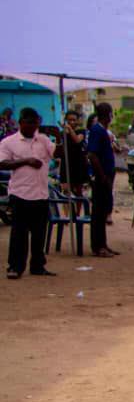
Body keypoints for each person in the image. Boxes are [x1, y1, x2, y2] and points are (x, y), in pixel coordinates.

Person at [1, 107, 55, 278]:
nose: (33, 126)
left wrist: (60, 137)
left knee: (39, 233)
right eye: (29, 123)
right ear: (21, 122)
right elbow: (3, 164)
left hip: (40, 193)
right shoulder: (9, 142)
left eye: (36, 123)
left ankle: (38, 265)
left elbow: (57, 154)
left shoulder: (44, 140)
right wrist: (26, 161)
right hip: (20, 193)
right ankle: (15, 266)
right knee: (19, 233)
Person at [85, 103, 119, 258]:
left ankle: (103, 244)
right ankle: (98, 247)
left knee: (104, 210)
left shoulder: (103, 131)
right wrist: (102, 176)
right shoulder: (97, 131)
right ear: (109, 115)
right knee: (98, 213)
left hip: (107, 175)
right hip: (102, 177)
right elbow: (92, 155)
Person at [57, 110, 88, 197]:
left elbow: (77, 140)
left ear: (77, 121)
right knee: (66, 191)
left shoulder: (81, 131)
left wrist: (69, 129)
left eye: (74, 120)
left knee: (78, 191)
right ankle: (68, 210)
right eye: (69, 120)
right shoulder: (62, 133)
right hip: (66, 162)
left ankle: (77, 210)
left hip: (78, 163)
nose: (71, 122)